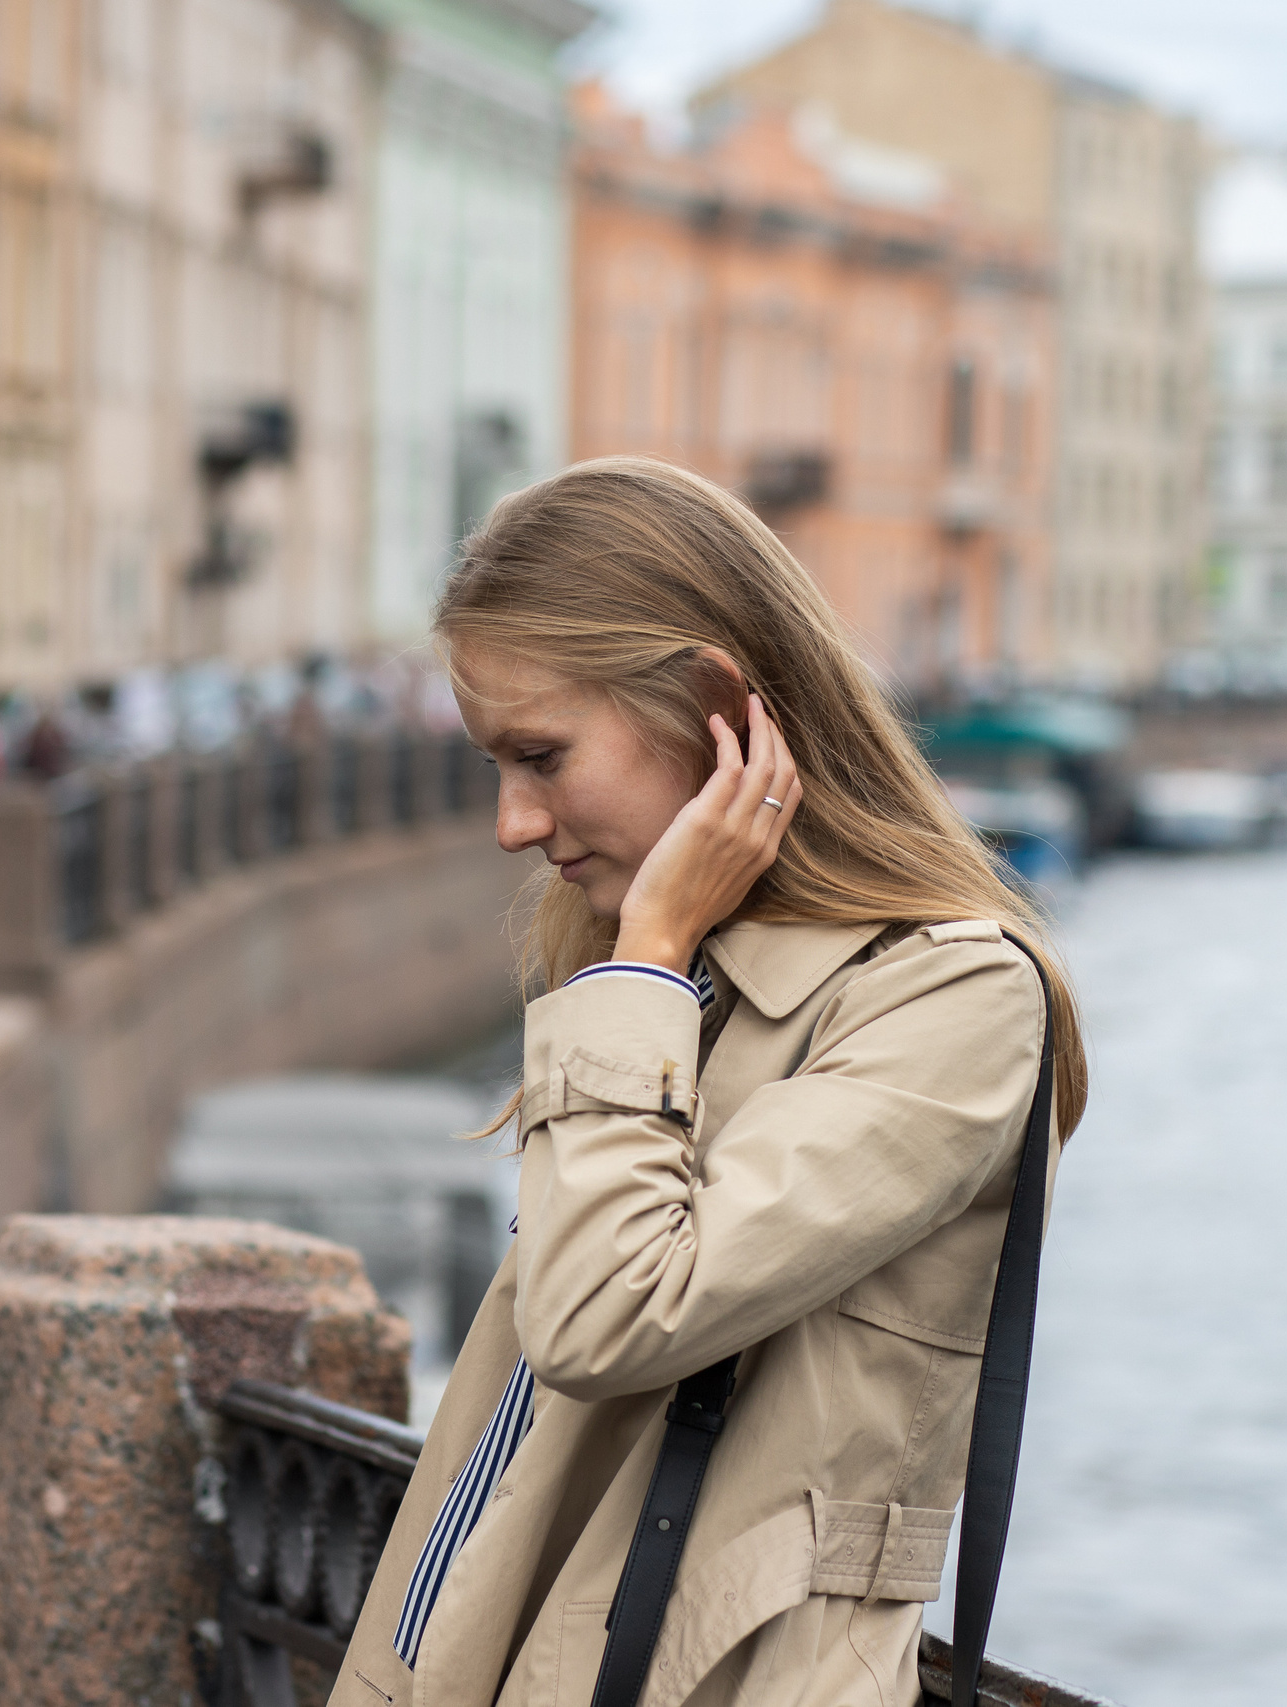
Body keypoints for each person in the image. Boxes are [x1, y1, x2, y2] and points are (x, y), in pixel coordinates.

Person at [330, 457, 1087, 1707]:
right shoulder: (676, 970)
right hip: (492, 1638)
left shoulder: (952, 1000)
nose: (514, 823)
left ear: (716, 709)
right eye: (494, 766)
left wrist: (652, 955)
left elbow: (603, 1320)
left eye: (541, 755)